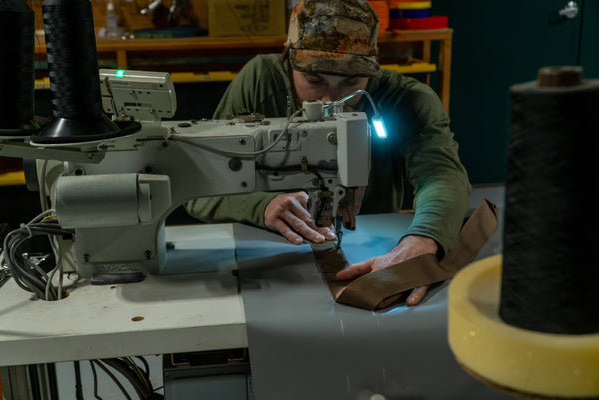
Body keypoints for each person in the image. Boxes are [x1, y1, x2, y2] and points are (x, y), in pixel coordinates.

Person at [185, 0, 471, 307]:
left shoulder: (408, 99)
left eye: (351, 82)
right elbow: (197, 185)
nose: (329, 100)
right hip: (264, 258)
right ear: (287, 60)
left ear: (374, 67)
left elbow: (442, 177)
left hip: (369, 249)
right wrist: (260, 205)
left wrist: (424, 239)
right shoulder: (259, 81)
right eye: (314, 80)